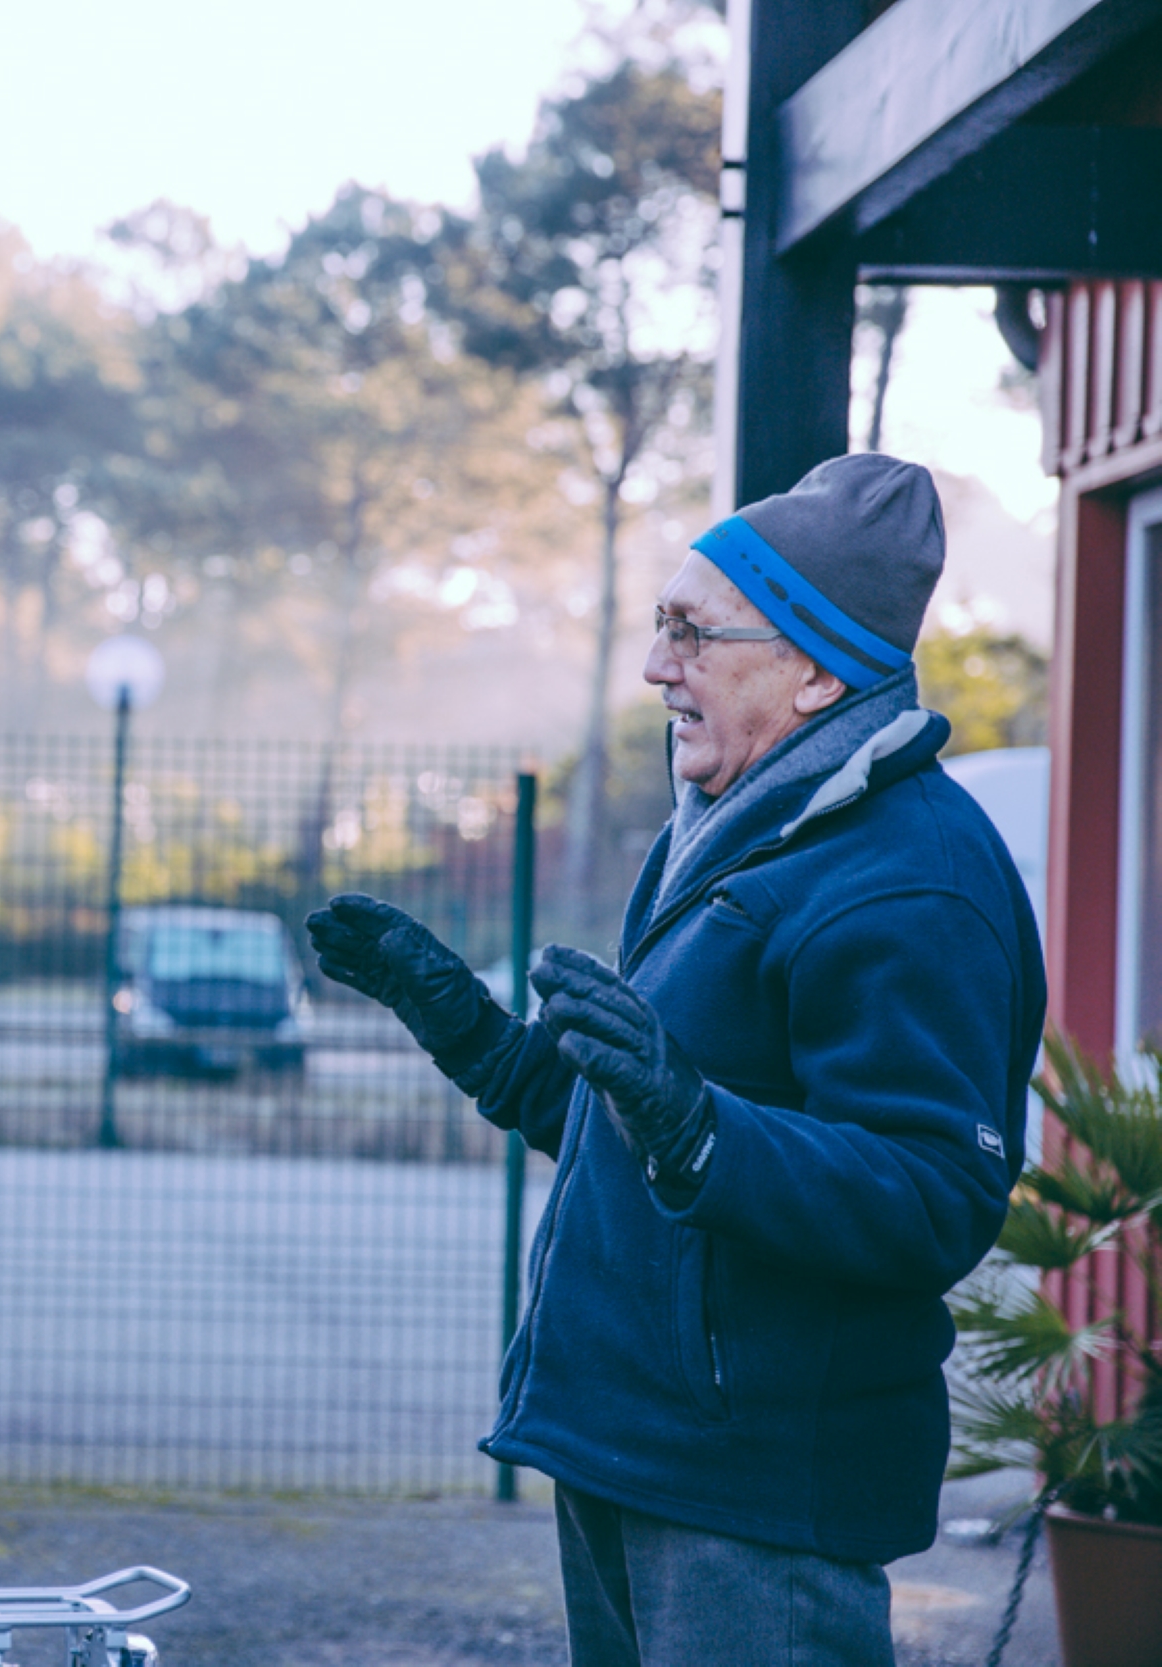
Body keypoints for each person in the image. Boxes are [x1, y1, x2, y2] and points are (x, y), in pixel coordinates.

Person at [308, 455, 1045, 1666]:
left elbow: (932, 1193)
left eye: (694, 633)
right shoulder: (727, 829)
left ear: (814, 668)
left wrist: (699, 1125)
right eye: (662, 625)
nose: (658, 666)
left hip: (753, 1494)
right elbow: (634, 1124)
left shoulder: (913, 880)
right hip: (625, 1448)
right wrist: (469, 1030)